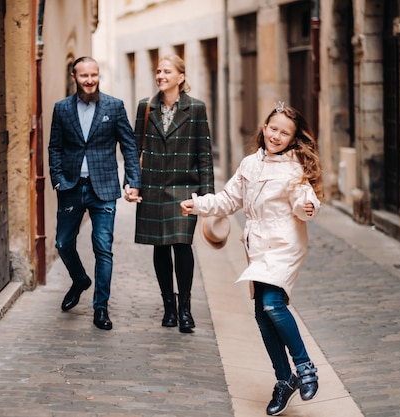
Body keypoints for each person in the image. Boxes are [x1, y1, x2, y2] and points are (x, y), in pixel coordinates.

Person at [180, 103, 322, 415]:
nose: (277, 136)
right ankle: (285, 381)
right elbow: (229, 199)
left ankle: (305, 367)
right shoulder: (249, 164)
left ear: (293, 138)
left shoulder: (294, 166)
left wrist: (308, 206)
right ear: (265, 128)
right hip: (257, 247)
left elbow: (304, 198)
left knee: (273, 305)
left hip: (285, 245)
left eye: (285, 133)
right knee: (261, 314)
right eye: (273, 129)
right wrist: (198, 204)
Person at [49, 56, 142, 331]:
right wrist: (57, 179)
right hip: (71, 187)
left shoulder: (114, 106)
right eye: (83, 75)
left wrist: (133, 181)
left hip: (103, 188)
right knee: (63, 244)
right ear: (74, 77)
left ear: (98, 76)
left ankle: (100, 308)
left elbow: (129, 146)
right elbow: (55, 146)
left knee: (103, 249)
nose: (89, 80)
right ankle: (79, 280)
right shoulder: (62, 109)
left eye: (94, 75)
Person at [133, 55, 214, 333]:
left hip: (183, 188)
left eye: (167, 71)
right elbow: (134, 151)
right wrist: (132, 183)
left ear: (181, 77)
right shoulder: (146, 107)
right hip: (153, 187)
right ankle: (168, 307)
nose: (161, 75)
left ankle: (186, 309)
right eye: (158, 71)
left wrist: (207, 198)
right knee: (160, 248)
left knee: (181, 245)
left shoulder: (197, 109)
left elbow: (204, 156)